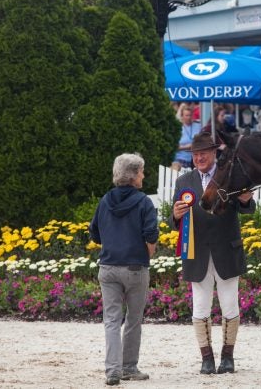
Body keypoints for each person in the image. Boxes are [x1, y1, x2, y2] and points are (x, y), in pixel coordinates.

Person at [170, 132, 255, 375]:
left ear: (214, 153)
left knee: (230, 305)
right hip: (196, 252)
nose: (199, 158)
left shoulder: (229, 175)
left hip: (226, 249)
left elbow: (247, 209)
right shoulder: (183, 182)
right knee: (200, 307)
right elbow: (174, 219)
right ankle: (206, 358)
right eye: (196, 155)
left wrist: (247, 200)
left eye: (203, 154)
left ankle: (228, 357)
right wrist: (175, 216)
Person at [89, 153, 158, 386]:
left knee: (111, 320)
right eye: (141, 171)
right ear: (132, 175)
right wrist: (147, 254)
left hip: (107, 267)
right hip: (135, 268)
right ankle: (129, 367)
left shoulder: (104, 200)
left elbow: (94, 233)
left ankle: (112, 371)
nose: (143, 175)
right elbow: (151, 235)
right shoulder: (145, 202)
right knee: (133, 319)